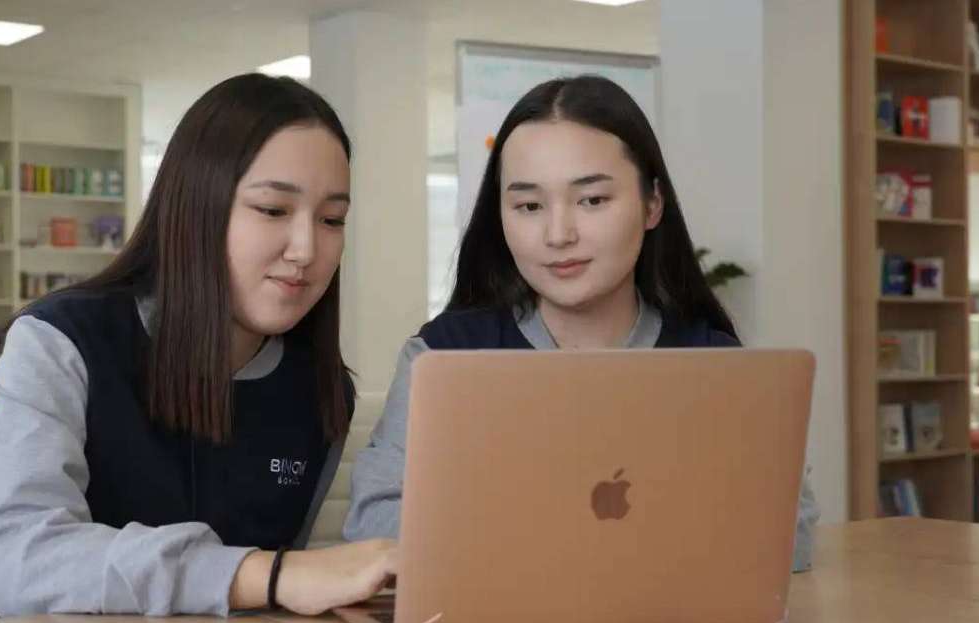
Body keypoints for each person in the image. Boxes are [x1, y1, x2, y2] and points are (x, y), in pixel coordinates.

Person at [0, 73, 396, 623]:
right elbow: (21, 557)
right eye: (272, 210)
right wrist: (269, 574)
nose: (308, 249)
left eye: (333, 220)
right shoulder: (62, 340)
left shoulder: (321, 390)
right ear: (194, 208)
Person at [344, 75, 819, 571]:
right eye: (529, 205)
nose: (558, 234)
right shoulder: (443, 357)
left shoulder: (719, 367)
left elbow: (792, 535)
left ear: (652, 203)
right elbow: (374, 524)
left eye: (592, 200)